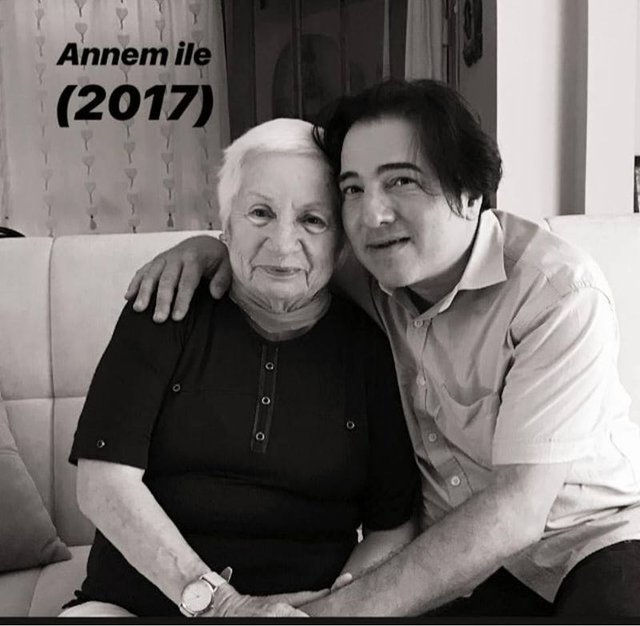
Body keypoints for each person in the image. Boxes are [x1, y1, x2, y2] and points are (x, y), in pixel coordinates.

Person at [127, 79, 640, 618]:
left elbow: (518, 509)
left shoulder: (557, 292)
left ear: (470, 191)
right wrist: (207, 248)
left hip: (591, 542)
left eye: (401, 181)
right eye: (352, 189)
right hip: (457, 564)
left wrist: (325, 615)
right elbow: (281, 255)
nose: (371, 215)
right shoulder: (366, 272)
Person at [61, 118, 418, 618]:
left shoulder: (372, 349)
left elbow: (392, 524)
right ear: (225, 224)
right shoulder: (167, 305)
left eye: (313, 220)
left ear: (342, 241)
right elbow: (103, 485)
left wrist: (331, 609)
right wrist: (221, 605)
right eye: (260, 213)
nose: (283, 243)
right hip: (133, 605)